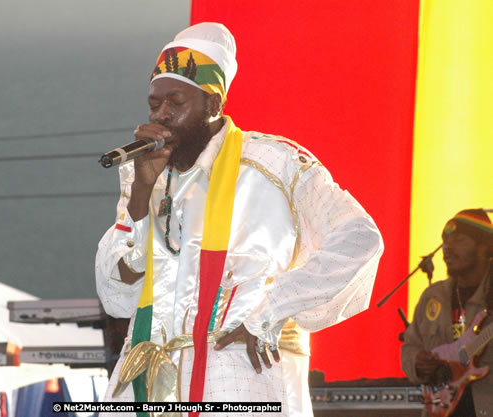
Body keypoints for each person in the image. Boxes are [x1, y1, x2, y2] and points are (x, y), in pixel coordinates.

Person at [95, 22, 383, 416]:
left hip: (238, 383)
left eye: (175, 103)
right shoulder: (145, 174)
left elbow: (360, 240)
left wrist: (270, 310)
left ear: (213, 105)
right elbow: (116, 295)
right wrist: (142, 192)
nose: (161, 116)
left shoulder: (276, 163)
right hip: (148, 384)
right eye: (154, 104)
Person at [401, 209, 492, 417]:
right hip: (443, 409)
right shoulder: (434, 296)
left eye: (459, 240)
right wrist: (417, 362)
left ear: (485, 246)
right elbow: (409, 347)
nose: (447, 248)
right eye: (445, 241)